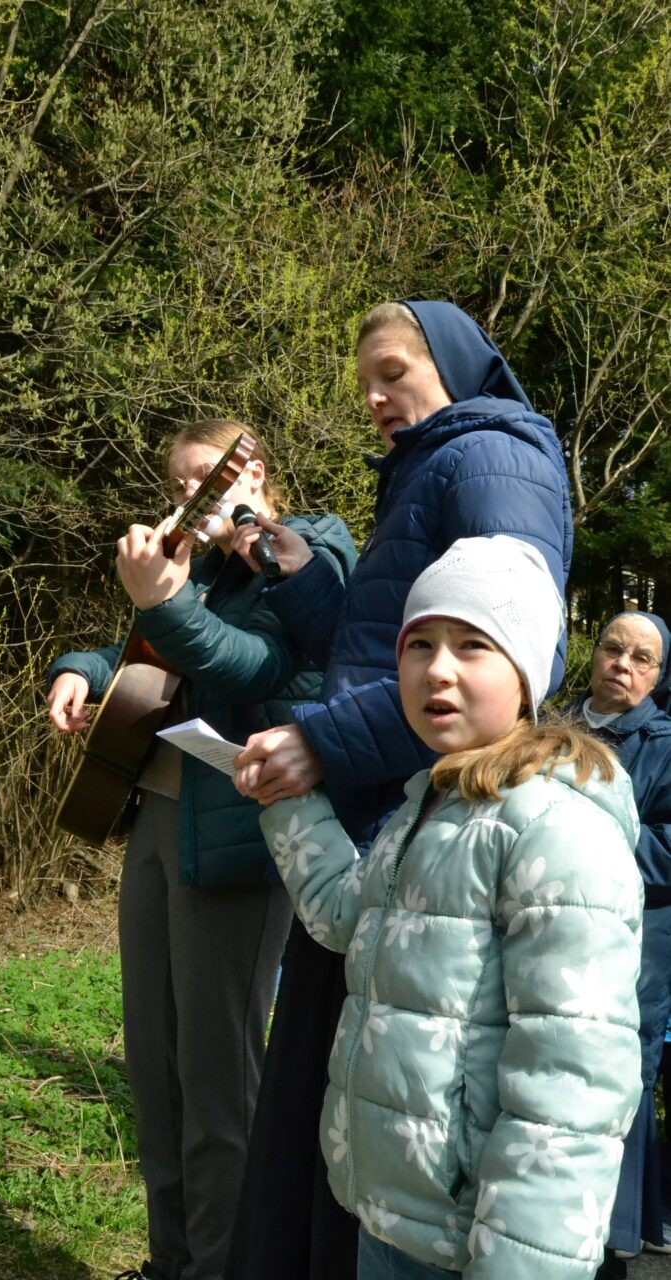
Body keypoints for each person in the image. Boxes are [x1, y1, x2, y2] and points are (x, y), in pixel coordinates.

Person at [225, 300, 573, 1280]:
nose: (375, 398)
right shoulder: (429, 466)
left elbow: (507, 654)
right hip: (382, 827)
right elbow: (386, 648)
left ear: (452, 366)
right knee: (338, 1119)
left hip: (429, 838)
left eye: (393, 372)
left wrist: (323, 742)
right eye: (365, 383)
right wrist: (295, 572)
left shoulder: (492, 459)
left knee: (384, 1133)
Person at [255, 536, 643, 1280]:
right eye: (419, 644)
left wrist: (521, 1265)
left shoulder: (555, 831)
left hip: (477, 1244)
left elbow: (571, 1081)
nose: (437, 668)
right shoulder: (431, 803)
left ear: (526, 676)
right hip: (393, 1215)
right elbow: (345, 916)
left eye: (472, 645)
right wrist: (288, 802)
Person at [45, 419, 356, 1280]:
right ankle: (169, 1261)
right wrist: (78, 668)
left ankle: (222, 1266)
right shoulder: (203, 569)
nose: (187, 496)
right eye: (179, 483)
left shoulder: (312, 548)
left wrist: (162, 601)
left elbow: (252, 667)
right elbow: (141, 657)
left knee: (217, 1077)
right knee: (156, 1063)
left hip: (238, 835)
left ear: (250, 472)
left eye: (203, 478)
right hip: (156, 817)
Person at [571, 611, 671, 1277]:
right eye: (613, 648)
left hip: (638, 936)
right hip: (551, 924)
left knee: (620, 1069)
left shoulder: (664, 744)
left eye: (642, 659)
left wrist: (585, 836)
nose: (622, 665)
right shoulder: (550, 727)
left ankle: (614, 1233)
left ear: (658, 677)